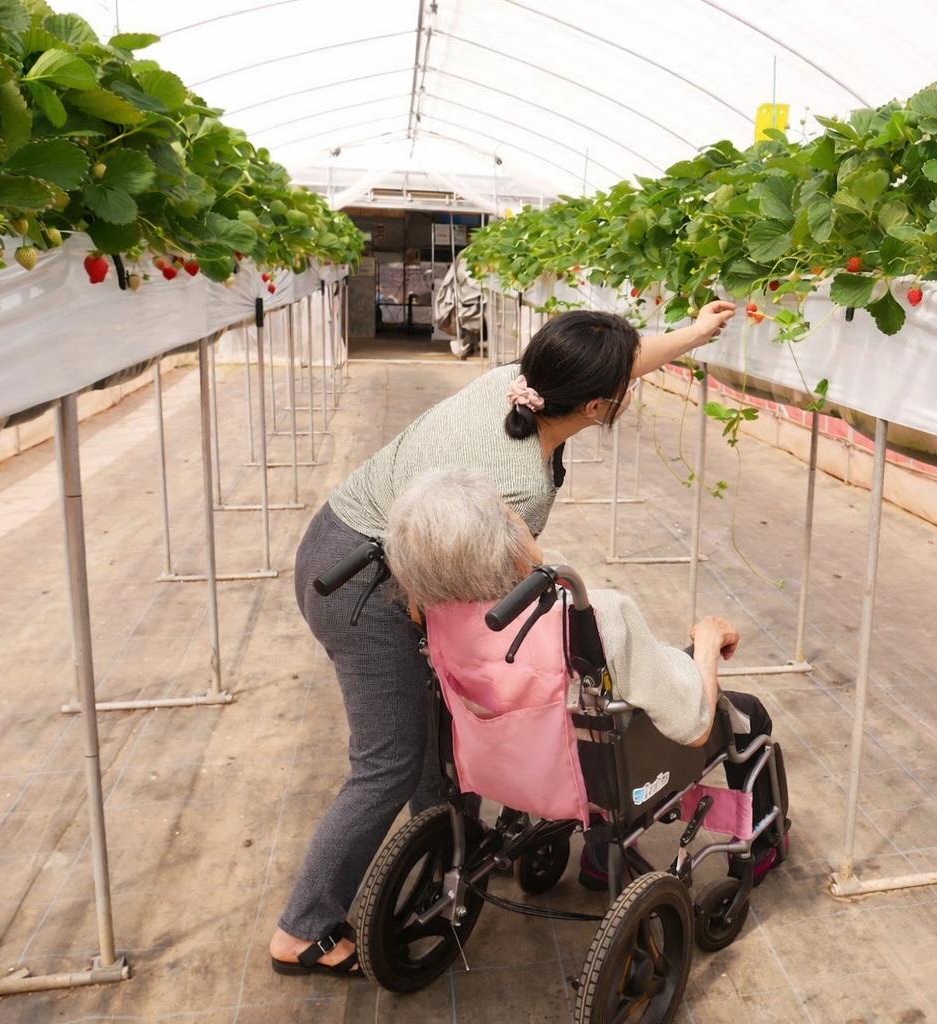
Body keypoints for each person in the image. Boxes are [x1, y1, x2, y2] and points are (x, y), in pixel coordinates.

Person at [269, 303, 735, 977]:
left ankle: (448, 847)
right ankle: (302, 927)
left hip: (349, 542)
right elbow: (533, 602)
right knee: (389, 761)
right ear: (602, 406)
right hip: (363, 588)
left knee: (432, 744)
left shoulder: (517, 380)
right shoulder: (511, 486)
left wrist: (692, 334)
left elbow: (602, 363)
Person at [381, 467, 789, 890]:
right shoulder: (594, 614)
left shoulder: (436, 619)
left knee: (603, 707)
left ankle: (601, 851)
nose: (520, 519)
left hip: (517, 760)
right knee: (750, 715)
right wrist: (708, 640)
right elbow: (695, 725)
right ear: (499, 540)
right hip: (603, 761)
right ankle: (763, 847)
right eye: (508, 513)